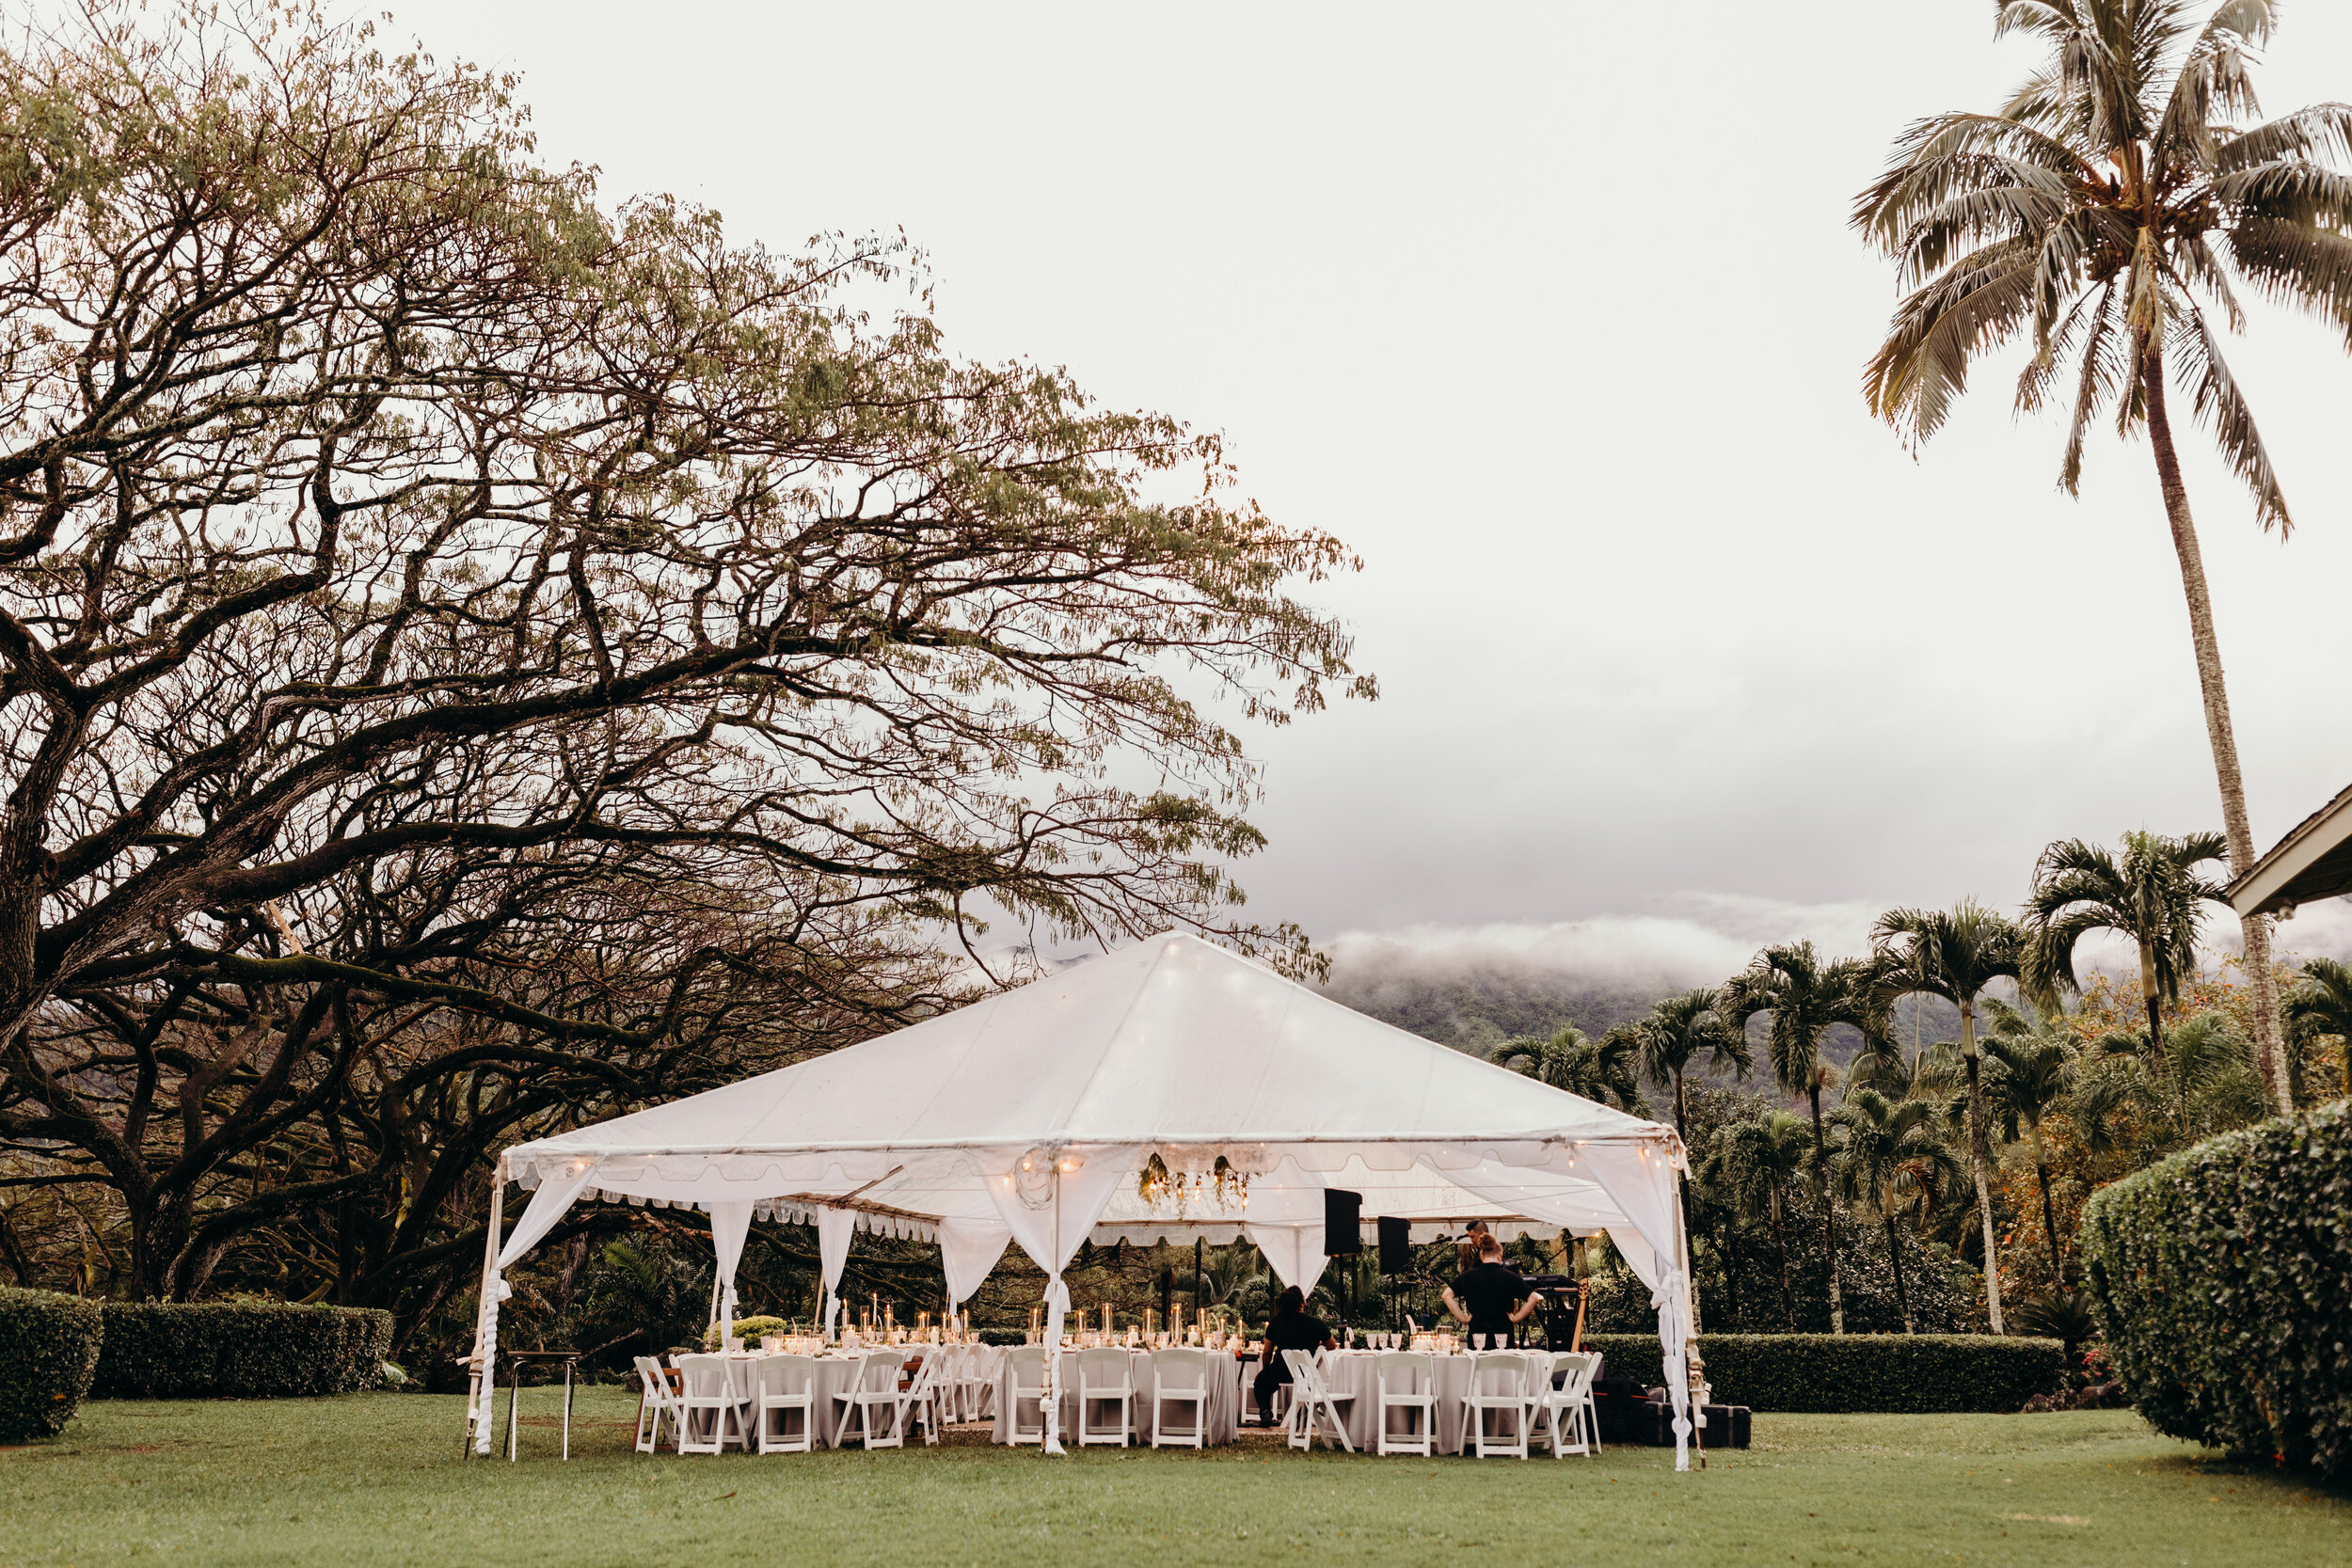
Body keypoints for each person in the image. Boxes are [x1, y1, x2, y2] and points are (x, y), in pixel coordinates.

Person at [1253, 1285, 1333, 1427]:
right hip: (1307, 1373)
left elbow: (1267, 1351)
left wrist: (1265, 1370)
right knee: (1305, 1384)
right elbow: (1332, 1346)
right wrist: (1318, 1349)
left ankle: (1265, 1410)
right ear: (1302, 1303)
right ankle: (1303, 1413)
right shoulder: (1316, 1323)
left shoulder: (1276, 1322)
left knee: (1260, 1382)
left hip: (1281, 1371)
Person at [1442, 1233, 1541, 1345]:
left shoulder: (1467, 1277)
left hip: (1477, 1339)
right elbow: (1533, 1298)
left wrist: (1463, 1319)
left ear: (1481, 1256)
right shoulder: (1512, 1277)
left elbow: (1446, 1295)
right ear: (1499, 1255)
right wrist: (1516, 1318)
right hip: (1503, 1339)